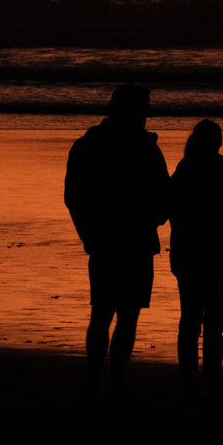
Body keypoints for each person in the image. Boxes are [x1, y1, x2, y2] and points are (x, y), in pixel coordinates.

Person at [64, 84, 170, 394]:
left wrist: (88, 233)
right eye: (144, 109)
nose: (147, 116)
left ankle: (97, 379)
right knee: (126, 315)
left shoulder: (88, 146)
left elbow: (74, 197)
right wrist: (153, 219)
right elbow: (163, 197)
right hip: (134, 241)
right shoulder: (146, 149)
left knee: (103, 312)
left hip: (104, 241)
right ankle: (114, 381)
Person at [169, 119, 223, 397]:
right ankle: (211, 383)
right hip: (221, 258)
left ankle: (190, 383)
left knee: (190, 321)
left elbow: (167, 212)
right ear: (218, 144)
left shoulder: (181, 177)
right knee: (214, 326)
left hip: (189, 257)